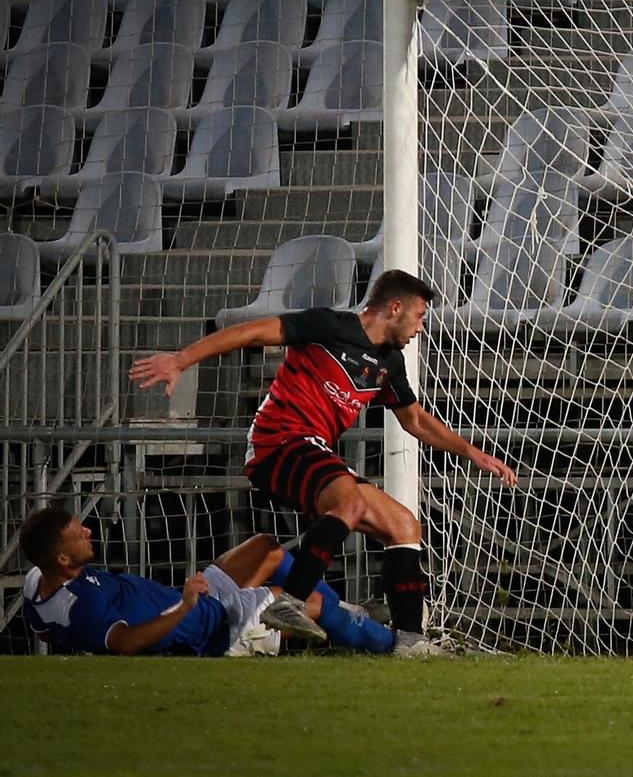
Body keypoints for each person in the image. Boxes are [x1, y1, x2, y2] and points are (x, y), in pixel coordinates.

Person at [129, 269, 518, 656]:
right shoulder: (327, 326)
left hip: (315, 450)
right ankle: (290, 603)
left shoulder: (389, 362)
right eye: (418, 316)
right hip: (277, 442)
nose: (421, 326)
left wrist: (471, 452)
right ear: (395, 307)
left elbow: (414, 419)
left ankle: (411, 642)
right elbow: (250, 332)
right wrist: (181, 359)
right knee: (349, 503)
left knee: (404, 526)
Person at [19, 507, 394, 656]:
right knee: (299, 601)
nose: (87, 530)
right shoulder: (82, 606)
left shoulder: (39, 580)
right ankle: (395, 646)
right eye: (77, 534)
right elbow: (124, 644)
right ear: (64, 559)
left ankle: (349, 615)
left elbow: (45, 632)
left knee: (267, 549)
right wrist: (184, 607)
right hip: (210, 625)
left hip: (198, 598)